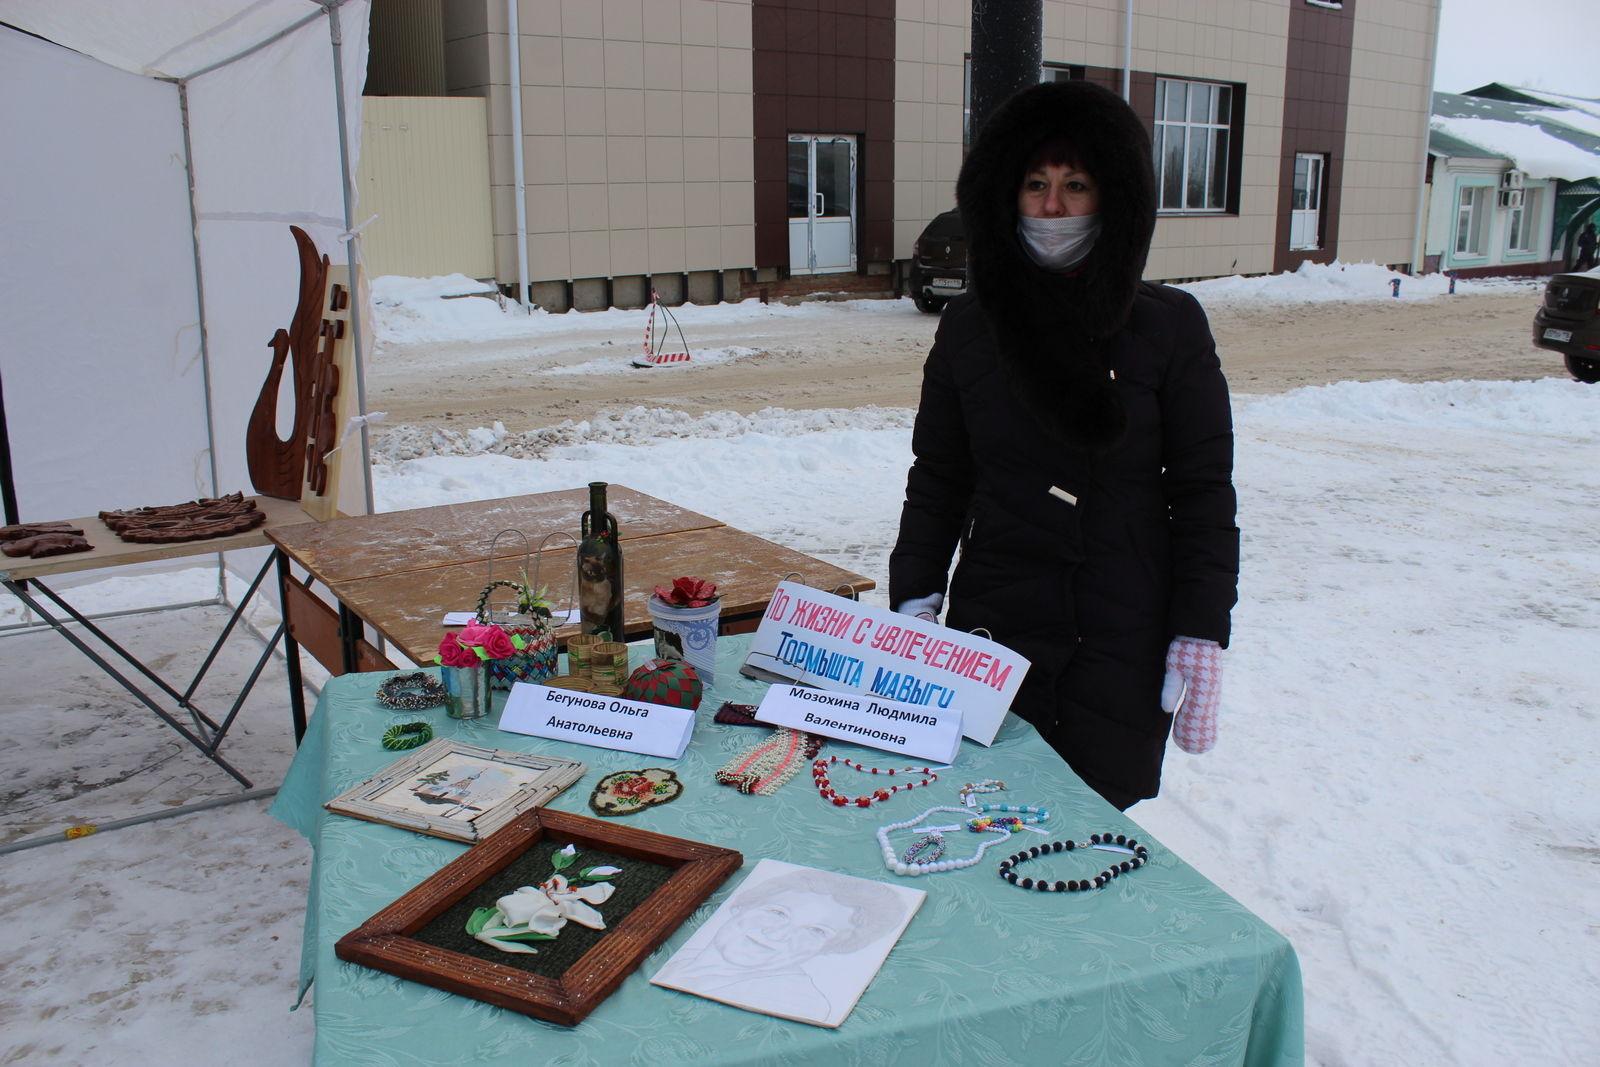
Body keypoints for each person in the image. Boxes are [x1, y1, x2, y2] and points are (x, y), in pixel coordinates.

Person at [889, 80, 1239, 811]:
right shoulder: (970, 329)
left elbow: (1203, 491)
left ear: (1113, 196)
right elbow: (939, 477)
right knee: (981, 813)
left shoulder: (1170, 327)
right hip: (996, 624)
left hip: (1118, 629)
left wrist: (1201, 628)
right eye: (1035, 184)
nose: (1052, 207)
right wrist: (916, 598)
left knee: (1091, 830)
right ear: (1004, 196)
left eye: (1075, 185)